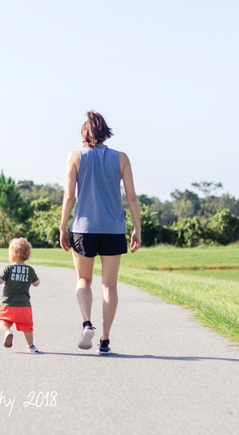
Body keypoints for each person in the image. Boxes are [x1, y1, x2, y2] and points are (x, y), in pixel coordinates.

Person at [59, 111, 141, 355]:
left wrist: (62, 226)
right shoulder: (121, 158)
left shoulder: (75, 156)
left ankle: (87, 323)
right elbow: (132, 197)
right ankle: (105, 340)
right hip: (113, 229)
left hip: (83, 229)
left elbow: (69, 196)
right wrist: (137, 228)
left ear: (85, 133)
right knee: (109, 285)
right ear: (105, 132)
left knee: (83, 280)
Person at [0, 237, 41, 353]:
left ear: (13, 256)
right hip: (25, 306)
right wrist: (35, 279)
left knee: (1, 319)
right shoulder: (30, 270)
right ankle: (31, 346)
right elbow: (36, 283)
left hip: (8, 303)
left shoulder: (8, 268)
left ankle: (8, 332)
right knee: (28, 327)